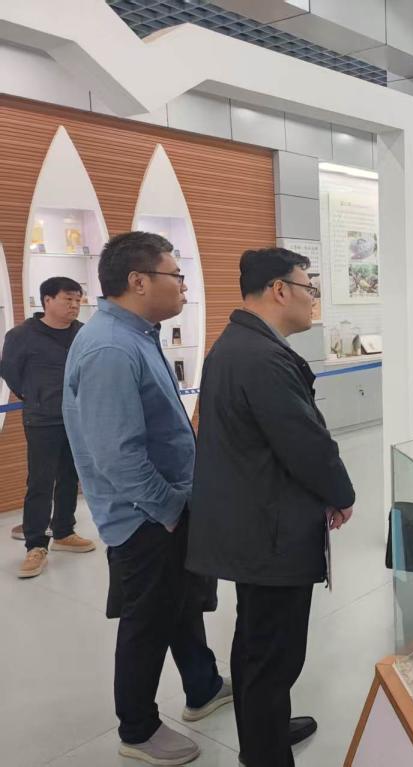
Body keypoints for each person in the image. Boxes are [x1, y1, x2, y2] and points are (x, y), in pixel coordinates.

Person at [62, 232, 229, 766]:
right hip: (145, 517)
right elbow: (117, 455)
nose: (184, 286)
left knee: (181, 605)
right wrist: (170, 509)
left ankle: (202, 685)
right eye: (175, 275)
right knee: (148, 621)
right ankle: (137, 729)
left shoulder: (136, 335)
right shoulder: (111, 347)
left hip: (165, 508)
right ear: (138, 281)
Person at [187, 248, 356, 767]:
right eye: (309, 289)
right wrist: (341, 493)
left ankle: (267, 731)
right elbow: (304, 442)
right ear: (280, 290)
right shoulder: (260, 356)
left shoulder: (240, 345)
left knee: (258, 640)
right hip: (269, 530)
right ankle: (265, 753)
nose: (312, 300)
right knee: (271, 651)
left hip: (255, 520)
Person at [0, 276, 95, 577]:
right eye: (68, 299)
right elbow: (11, 372)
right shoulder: (22, 335)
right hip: (42, 419)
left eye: (78, 299)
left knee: (70, 476)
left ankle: (64, 531)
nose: (75, 305)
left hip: (77, 417)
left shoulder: (83, 332)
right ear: (47, 300)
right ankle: (35, 545)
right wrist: (35, 396)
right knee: (41, 481)